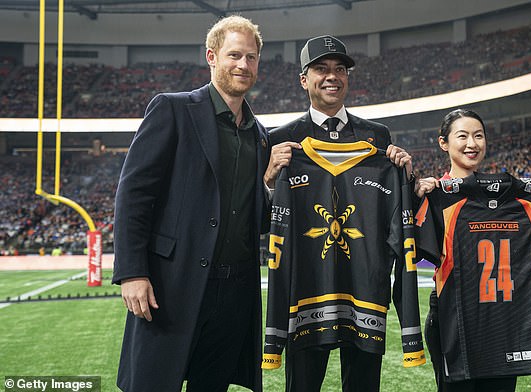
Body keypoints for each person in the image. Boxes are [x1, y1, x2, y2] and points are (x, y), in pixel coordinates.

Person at [113, 16, 274, 392]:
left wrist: (269, 187)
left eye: (251, 58)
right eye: (235, 55)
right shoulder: (172, 109)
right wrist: (133, 272)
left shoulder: (259, 134)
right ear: (212, 56)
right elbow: (134, 193)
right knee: (153, 383)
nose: (243, 65)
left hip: (234, 293)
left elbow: (257, 221)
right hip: (172, 285)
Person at [263, 35, 419, 392]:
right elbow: (264, 221)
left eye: (340, 69)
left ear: (348, 77)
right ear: (304, 79)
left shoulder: (377, 136)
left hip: (363, 290)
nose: (332, 76)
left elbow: (394, 208)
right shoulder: (280, 139)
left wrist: (407, 175)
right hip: (306, 291)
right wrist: (270, 182)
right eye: (321, 69)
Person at [414, 109, 531, 392]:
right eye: (463, 136)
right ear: (443, 143)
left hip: (506, 318)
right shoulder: (434, 195)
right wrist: (418, 196)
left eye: (479, 135)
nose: (472, 143)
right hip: (454, 317)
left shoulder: (524, 195)